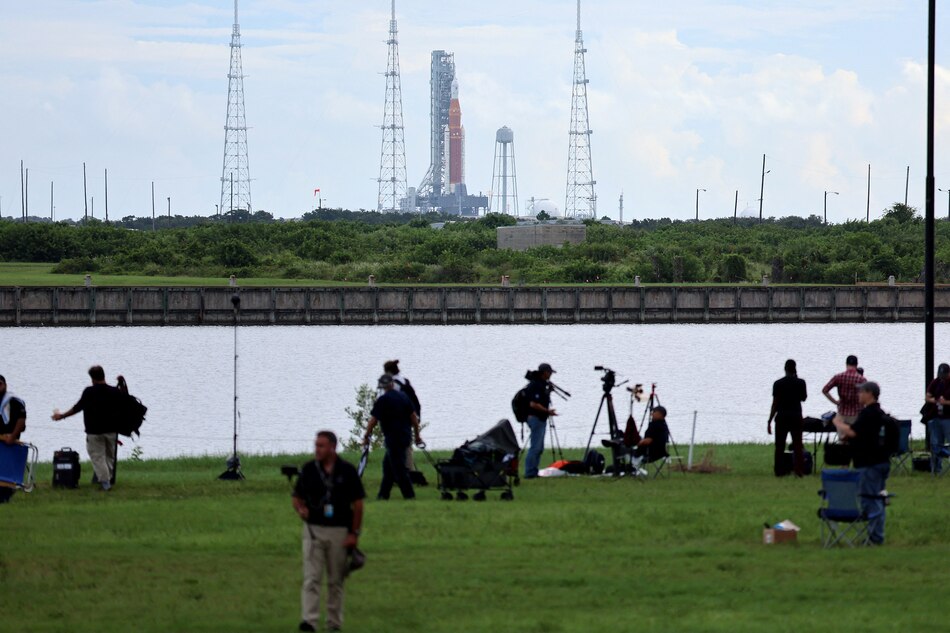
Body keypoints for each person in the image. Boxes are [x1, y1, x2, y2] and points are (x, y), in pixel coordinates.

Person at [292, 430, 365, 633]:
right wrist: (301, 509)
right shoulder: (308, 469)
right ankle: (309, 622)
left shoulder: (347, 471)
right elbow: (296, 497)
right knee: (311, 578)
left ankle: (334, 623)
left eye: (321, 446)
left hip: (339, 532)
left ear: (333, 447)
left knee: (335, 580)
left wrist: (354, 533)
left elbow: (358, 504)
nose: (317, 449)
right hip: (313, 530)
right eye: (316, 445)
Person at [832, 382, 891, 545]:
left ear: (870, 394)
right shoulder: (880, 413)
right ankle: (877, 535)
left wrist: (837, 423)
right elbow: (862, 433)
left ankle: (875, 538)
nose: (858, 395)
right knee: (878, 498)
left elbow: (853, 431)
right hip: (882, 461)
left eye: (861, 392)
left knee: (870, 499)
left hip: (869, 463)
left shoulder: (868, 413)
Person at [52, 366, 123, 491]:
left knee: (98, 457)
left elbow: (77, 408)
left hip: (94, 431)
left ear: (92, 378)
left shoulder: (89, 392)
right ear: (103, 375)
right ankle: (108, 479)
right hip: (112, 430)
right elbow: (124, 403)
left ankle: (105, 483)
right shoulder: (114, 391)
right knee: (109, 456)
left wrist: (62, 416)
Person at [363, 374, 422, 500]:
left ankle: (409, 496)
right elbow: (414, 419)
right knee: (388, 468)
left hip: (393, 439)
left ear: (382, 386)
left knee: (399, 469)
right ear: (392, 384)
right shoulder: (403, 396)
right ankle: (383, 496)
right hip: (405, 437)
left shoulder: (383, 400)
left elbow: (373, 420)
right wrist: (417, 436)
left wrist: (366, 435)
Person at [768, 359, 808, 477]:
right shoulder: (801, 382)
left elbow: (775, 404)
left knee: (779, 445)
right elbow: (804, 398)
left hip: (781, 417)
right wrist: (797, 378)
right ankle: (798, 471)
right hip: (796, 416)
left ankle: (779, 471)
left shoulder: (778, 383)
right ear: (795, 368)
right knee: (797, 444)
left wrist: (769, 420)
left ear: (785, 369)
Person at [383, 359, 420, 471]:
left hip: (396, 421)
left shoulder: (392, 385)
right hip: (409, 419)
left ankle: (408, 473)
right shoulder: (405, 381)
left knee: (399, 448)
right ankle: (397, 473)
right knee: (405, 447)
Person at [524, 363, 557, 479]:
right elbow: (533, 404)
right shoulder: (536, 385)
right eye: (550, 372)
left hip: (540, 419)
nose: (551, 374)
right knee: (535, 447)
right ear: (545, 372)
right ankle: (529, 473)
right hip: (536, 418)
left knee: (539, 447)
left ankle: (533, 471)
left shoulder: (542, 385)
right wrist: (548, 411)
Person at [0, 375, 27, 504]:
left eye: (0, 384)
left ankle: (6, 495)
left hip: (9, 440)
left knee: (7, 473)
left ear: (5, 385)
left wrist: (13, 436)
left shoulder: (13, 400)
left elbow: (21, 420)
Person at [822, 355, 867, 426]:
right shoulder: (862, 379)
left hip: (842, 414)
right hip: (857, 415)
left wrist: (836, 402)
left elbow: (825, 390)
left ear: (846, 364)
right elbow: (868, 396)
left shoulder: (838, 377)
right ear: (856, 364)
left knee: (843, 437)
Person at [925, 363, 950, 473]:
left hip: (948, 418)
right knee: (935, 443)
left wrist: (946, 402)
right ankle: (936, 469)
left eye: (944, 374)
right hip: (936, 417)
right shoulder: (936, 382)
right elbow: (927, 397)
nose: (942, 377)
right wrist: (935, 401)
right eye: (940, 374)